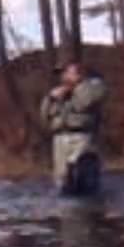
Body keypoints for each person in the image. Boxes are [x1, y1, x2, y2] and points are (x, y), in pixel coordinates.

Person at [41, 61, 108, 195]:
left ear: (80, 73)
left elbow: (84, 103)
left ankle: (90, 208)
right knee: (62, 181)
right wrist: (50, 98)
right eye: (62, 74)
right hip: (60, 139)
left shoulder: (95, 86)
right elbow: (44, 115)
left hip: (82, 137)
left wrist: (73, 89)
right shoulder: (57, 92)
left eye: (67, 72)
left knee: (86, 178)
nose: (64, 77)